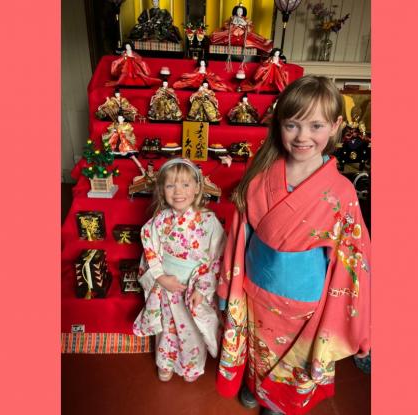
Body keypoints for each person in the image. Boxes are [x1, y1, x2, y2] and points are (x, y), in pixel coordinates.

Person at [216, 75, 371, 415]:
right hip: (256, 287)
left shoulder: (342, 192)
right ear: (280, 126)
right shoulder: (260, 178)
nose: (303, 136)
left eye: (316, 125)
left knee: (294, 357)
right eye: (292, 125)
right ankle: (255, 387)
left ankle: (278, 400)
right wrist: (228, 286)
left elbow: (353, 262)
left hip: (308, 299)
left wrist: (359, 326)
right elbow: (239, 236)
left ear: (335, 126)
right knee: (258, 349)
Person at [132, 157, 226, 383]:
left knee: (191, 330)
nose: (178, 191)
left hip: (193, 287)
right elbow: (150, 250)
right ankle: (165, 363)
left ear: (197, 188)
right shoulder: (159, 221)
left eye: (185, 184)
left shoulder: (208, 222)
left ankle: (192, 366)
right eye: (170, 185)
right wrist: (161, 277)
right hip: (167, 285)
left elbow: (216, 258)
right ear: (162, 189)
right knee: (167, 328)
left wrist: (202, 289)